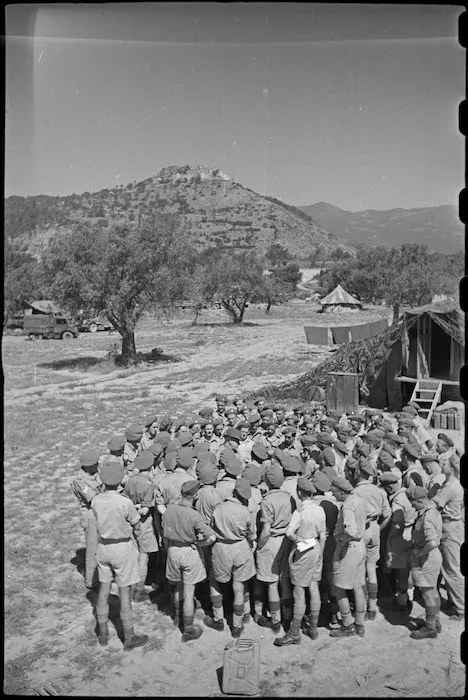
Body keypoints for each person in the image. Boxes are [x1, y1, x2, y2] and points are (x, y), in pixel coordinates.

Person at [91, 457, 148, 651]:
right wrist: (141, 543)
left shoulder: (96, 500)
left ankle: (103, 634)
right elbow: (137, 526)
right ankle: (129, 637)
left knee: (104, 590)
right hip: (122, 548)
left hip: (103, 547)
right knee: (124, 592)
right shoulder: (125, 502)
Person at [162, 480, 217, 641]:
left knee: (178, 585)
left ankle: (178, 617)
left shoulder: (169, 510)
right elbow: (211, 537)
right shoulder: (194, 515)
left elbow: (165, 534)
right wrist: (199, 543)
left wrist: (168, 550)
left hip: (173, 550)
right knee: (189, 591)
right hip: (189, 552)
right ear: (196, 495)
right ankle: (188, 629)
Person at [275, 477, 326, 646]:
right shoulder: (320, 510)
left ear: (298, 493)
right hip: (317, 548)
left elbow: (289, 533)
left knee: (298, 592)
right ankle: (313, 627)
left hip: (303, 549)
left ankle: (294, 632)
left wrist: (299, 540)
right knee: (313, 586)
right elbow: (323, 535)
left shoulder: (300, 512)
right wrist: (320, 555)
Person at [205, 479, 256, 638]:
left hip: (221, 548)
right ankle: (239, 622)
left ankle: (218, 618)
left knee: (214, 582)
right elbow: (251, 533)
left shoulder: (218, 508)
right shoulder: (245, 511)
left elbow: (210, 528)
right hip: (240, 548)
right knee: (239, 586)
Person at [253, 464, 295, 634]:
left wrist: (259, 545)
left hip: (271, 542)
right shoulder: (289, 497)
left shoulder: (267, 500)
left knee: (271, 584)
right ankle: (287, 615)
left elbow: (266, 531)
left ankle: (275, 620)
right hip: (286, 540)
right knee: (284, 581)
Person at [329, 476, 367, 638]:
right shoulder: (359, 500)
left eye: (334, 492)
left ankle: (347, 624)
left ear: (342, 492)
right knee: (358, 585)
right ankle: (359, 623)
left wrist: (341, 541)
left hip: (349, 548)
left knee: (339, 587)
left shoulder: (347, 506)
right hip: (360, 547)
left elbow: (350, 531)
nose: (333, 495)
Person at [353, 458, 391, 620]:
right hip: (375, 528)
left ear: (358, 472)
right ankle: (373, 607)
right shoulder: (379, 491)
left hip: (361, 530)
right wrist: (379, 528)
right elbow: (387, 514)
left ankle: (362, 607)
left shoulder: (356, 492)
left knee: (360, 571)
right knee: (371, 568)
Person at [406, 484, 443, 639]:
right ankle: (436, 621)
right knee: (433, 591)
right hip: (434, 557)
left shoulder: (426, 517)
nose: (411, 505)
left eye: (412, 502)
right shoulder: (433, 511)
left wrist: (420, 553)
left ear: (420, 501)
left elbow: (432, 542)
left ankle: (430, 628)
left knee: (427, 593)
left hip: (427, 558)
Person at [431, 454, 464, 621]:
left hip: (449, 527)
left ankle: (461, 608)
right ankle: (454, 602)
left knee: (452, 570)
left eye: (444, 464)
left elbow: (434, 504)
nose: (441, 465)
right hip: (454, 525)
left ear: (451, 468)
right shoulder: (453, 483)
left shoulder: (450, 487)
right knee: (449, 568)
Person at [123, 450, 159, 603]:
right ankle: (139, 589)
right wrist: (139, 506)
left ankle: (131, 586)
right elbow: (145, 510)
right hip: (144, 524)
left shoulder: (131, 480)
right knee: (143, 557)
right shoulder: (149, 484)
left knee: (135, 554)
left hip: (130, 523)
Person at [380, 472, 416, 614]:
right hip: (411, 532)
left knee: (401, 572)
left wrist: (389, 538)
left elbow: (397, 524)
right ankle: (409, 597)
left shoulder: (397, 501)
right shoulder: (407, 493)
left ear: (389, 487)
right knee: (408, 570)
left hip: (400, 537)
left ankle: (403, 603)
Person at [311, 470, 340, 627]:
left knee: (316, 579)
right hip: (331, 544)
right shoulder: (333, 504)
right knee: (331, 580)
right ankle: (334, 614)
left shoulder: (312, 505)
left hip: (314, 543)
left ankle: (320, 608)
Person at [72, 449, 102, 589]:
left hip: (100, 511)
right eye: (95, 464)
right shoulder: (80, 480)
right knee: (92, 548)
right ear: (88, 466)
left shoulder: (95, 473)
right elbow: (92, 497)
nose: (97, 465)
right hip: (90, 514)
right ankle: (91, 580)